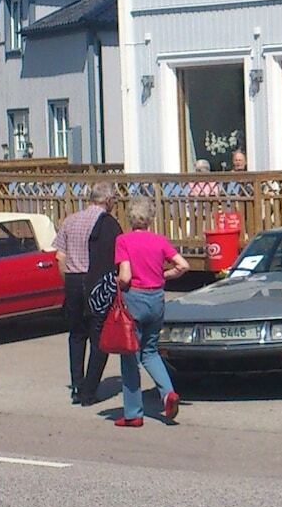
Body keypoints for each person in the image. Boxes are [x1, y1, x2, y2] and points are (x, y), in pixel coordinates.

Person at [113, 198, 189, 427]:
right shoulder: (159, 241)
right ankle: (168, 393)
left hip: (134, 298)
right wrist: (163, 276)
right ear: (150, 218)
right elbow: (183, 265)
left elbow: (125, 276)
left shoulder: (123, 240)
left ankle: (133, 413)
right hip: (157, 298)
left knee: (130, 357)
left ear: (130, 218)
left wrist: (115, 282)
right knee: (151, 351)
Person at [53, 182, 119, 406]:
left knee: (76, 334)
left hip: (72, 279)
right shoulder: (108, 224)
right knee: (98, 335)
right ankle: (89, 391)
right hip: (95, 280)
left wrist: (68, 281)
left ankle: (77, 384)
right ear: (108, 201)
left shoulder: (70, 220)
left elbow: (59, 257)